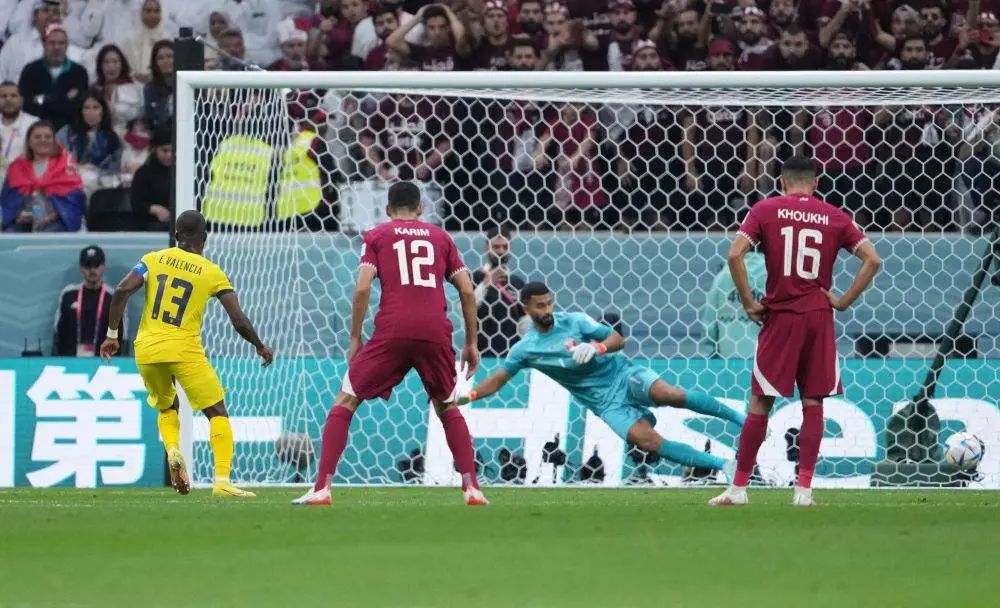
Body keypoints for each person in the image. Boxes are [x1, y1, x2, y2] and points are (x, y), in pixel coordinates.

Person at [293, 182, 487, 507]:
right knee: (447, 406)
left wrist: (355, 338)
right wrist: (471, 342)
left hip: (393, 330)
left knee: (346, 400)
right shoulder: (441, 238)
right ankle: (472, 488)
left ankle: (322, 488)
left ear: (387, 210)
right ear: (421, 209)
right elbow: (467, 290)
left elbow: (362, 288)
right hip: (434, 331)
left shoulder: (377, 236)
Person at [709, 155, 881, 508]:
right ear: (816, 183)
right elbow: (873, 260)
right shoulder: (834, 216)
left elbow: (735, 255)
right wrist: (843, 301)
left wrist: (747, 302)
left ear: (782, 182)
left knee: (761, 401)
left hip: (781, 316)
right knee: (813, 402)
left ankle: (738, 489)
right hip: (818, 316)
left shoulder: (765, 210)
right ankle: (803, 492)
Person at [458, 282, 746, 476]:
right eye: (539, 306)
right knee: (648, 441)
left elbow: (618, 338)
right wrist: (468, 395)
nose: (547, 311)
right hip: (605, 404)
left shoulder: (575, 321)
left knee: (671, 395)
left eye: (549, 304)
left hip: (623, 375)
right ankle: (725, 465)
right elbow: (498, 379)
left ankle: (742, 420)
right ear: (526, 309)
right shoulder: (526, 349)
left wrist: (597, 347)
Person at [99, 210, 274, 498]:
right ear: (205, 237)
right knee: (216, 411)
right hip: (184, 349)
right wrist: (259, 345)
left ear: (176, 235)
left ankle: (172, 449)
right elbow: (238, 319)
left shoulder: (152, 259)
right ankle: (222, 480)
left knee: (168, 406)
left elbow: (120, 291)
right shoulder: (211, 272)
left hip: (147, 349)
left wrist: (112, 335)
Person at [1, 120, 85, 232]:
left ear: (54, 140)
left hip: (58, 221)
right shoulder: (17, 166)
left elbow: (73, 203)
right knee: (9, 234)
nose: (43, 140)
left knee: (47, 233)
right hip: (28, 220)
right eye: (37, 137)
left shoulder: (67, 164)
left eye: (47, 137)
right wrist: (21, 216)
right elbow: (8, 203)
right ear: (29, 142)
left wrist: (50, 217)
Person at [17, 21, 89, 131]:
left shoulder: (79, 72)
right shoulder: (30, 70)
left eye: (61, 43)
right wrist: (64, 98)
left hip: (69, 131)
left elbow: (77, 106)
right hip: (36, 130)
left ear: (67, 45)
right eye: (52, 42)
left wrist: (42, 98)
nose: (56, 47)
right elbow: (27, 103)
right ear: (44, 44)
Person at [54, 245, 117, 357]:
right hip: (69, 361)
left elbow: (122, 337)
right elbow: (57, 332)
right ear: (81, 268)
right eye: (87, 265)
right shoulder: (68, 294)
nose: (92, 270)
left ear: (103, 266)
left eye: (96, 265)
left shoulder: (114, 298)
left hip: (105, 361)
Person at [472, 226, 526, 357]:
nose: (501, 251)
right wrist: (486, 284)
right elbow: (463, 309)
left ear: (510, 249)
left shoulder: (517, 282)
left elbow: (524, 320)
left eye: (505, 247)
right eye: (496, 247)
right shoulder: (475, 278)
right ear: (486, 248)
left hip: (512, 355)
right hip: (483, 354)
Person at [701, 248, 765, 358]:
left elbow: (709, 325)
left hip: (728, 363)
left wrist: (708, 359)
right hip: (765, 361)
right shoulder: (773, 275)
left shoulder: (723, 276)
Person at [55, 92, 122, 192]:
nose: (91, 112)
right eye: (86, 108)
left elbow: (114, 170)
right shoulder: (66, 133)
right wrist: (78, 168)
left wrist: (96, 171)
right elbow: (56, 161)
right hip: (69, 183)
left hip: (101, 186)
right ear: (81, 111)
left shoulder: (112, 138)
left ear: (103, 111)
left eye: (95, 107)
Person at [129, 126, 171, 229]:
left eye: (173, 150)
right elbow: (136, 204)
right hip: (151, 226)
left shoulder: (184, 172)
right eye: (165, 150)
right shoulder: (144, 173)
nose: (169, 155)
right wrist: (154, 209)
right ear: (155, 149)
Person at [0, 81, 38, 184]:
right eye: (3, 96)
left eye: (13, 96)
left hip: (23, 182)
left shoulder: (33, 124)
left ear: (21, 100)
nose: (8, 99)